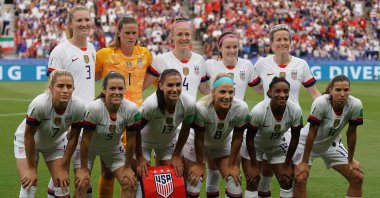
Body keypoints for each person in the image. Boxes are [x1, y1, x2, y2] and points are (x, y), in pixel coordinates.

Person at [250, 24, 321, 198]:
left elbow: (314, 93)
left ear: (290, 42)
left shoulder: (301, 64)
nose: (282, 42)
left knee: (289, 175)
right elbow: (257, 88)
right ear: (272, 43)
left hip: (291, 126)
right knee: (265, 172)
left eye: (286, 39)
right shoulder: (262, 64)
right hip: (266, 123)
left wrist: (324, 108)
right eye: (278, 39)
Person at [95, 16, 152, 197]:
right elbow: (94, 77)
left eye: (134, 33)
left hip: (136, 118)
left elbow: (154, 75)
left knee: (133, 170)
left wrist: (138, 90)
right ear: (118, 33)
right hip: (110, 118)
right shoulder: (104, 54)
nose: (130, 36)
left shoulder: (145, 53)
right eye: (127, 32)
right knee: (107, 172)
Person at [203, 31, 262, 197]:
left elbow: (259, 89)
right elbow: (201, 86)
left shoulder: (247, 65)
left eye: (235, 47)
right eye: (227, 47)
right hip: (214, 121)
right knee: (214, 169)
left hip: (236, 121)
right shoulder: (209, 65)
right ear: (219, 48)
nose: (232, 50)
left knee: (234, 171)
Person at [47, 5, 96, 197]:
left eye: (87, 20)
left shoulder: (92, 48)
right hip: (69, 122)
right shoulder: (60, 51)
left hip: (88, 123)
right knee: (65, 176)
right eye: (79, 20)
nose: (84, 24)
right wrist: (66, 120)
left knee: (80, 178)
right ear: (70, 24)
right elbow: (53, 89)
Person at [14, 70, 86, 198]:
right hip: (26, 143)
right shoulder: (40, 104)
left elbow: (74, 137)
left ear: (73, 89)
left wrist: (63, 167)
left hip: (55, 143)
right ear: (51, 87)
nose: (65, 90)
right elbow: (28, 135)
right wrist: (31, 169)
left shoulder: (78, 106)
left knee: (62, 185)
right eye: (60, 86)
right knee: (29, 185)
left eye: (69, 86)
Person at [293, 75, 364, 197]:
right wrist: (304, 162)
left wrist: (350, 160)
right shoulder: (321, 103)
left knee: (357, 177)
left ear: (349, 91)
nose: (342, 94)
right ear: (331, 90)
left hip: (332, 145)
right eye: (338, 90)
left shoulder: (355, 104)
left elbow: (351, 132)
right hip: (306, 145)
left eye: (346, 90)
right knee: (300, 178)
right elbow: (312, 131)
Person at [75, 71, 141, 198]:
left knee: (128, 182)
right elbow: (85, 140)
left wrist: (127, 167)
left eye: (120, 88)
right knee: (82, 183)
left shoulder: (132, 109)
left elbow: (132, 140)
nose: (117, 92)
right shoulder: (94, 108)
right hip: (88, 149)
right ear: (104, 90)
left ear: (125, 90)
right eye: (112, 88)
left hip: (112, 148)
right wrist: (83, 168)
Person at [184, 73, 249, 198]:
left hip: (221, 144)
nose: (227, 96)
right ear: (213, 92)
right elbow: (199, 138)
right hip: (196, 144)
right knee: (194, 181)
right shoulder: (201, 108)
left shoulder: (241, 108)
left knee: (233, 182)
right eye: (222, 92)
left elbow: (238, 138)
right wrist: (199, 164)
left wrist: (232, 165)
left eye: (231, 92)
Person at [240, 77, 303, 198]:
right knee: (253, 180)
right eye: (277, 91)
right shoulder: (259, 111)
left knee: (286, 179)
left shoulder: (295, 110)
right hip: (255, 146)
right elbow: (249, 139)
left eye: (286, 91)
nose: (282, 95)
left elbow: (295, 138)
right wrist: (254, 165)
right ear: (269, 93)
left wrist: (286, 164)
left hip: (276, 145)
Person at [136, 69, 196, 178]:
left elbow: (185, 129)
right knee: (141, 179)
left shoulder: (189, 103)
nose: (175, 89)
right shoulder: (151, 105)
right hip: (143, 144)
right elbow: (134, 131)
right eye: (170, 85)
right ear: (161, 86)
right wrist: (140, 157)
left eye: (178, 85)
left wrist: (176, 155)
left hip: (167, 143)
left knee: (176, 177)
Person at [144, 18, 209, 96]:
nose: (184, 38)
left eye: (187, 34)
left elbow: (204, 89)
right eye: (179, 34)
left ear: (191, 36)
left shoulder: (199, 60)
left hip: (190, 108)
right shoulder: (160, 60)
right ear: (172, 36)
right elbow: (141, 87)